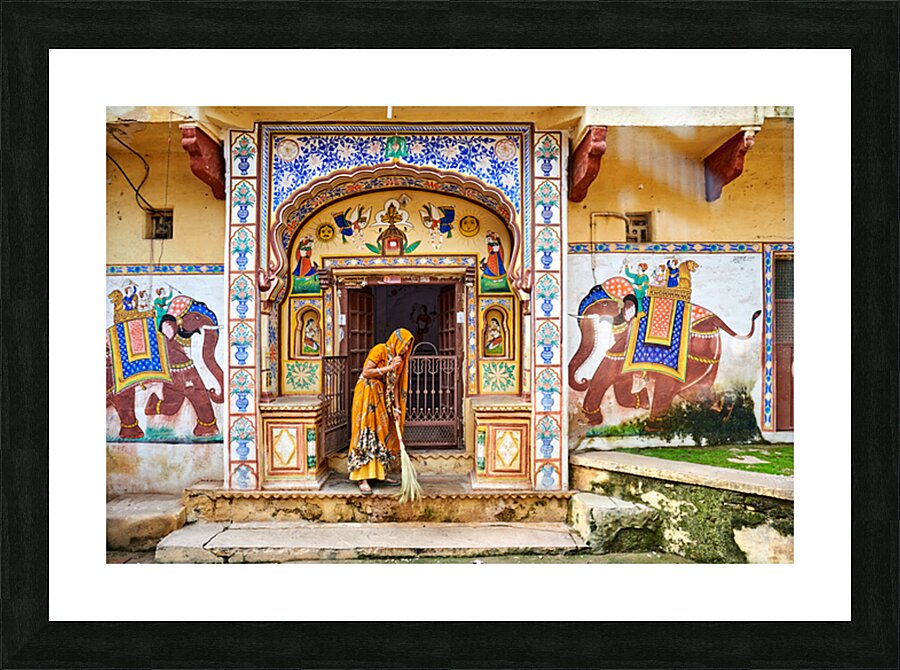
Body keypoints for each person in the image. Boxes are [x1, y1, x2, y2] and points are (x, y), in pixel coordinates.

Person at [348, 328, 415, 494]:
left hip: (381, 397)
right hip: (366, 393)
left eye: (408, 346)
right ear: (396, 340)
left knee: (381, 432)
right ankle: (362, 477)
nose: (406, 349)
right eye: (405, 344)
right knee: (366, 431)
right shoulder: (380, 350)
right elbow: (366, 372)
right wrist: (388, 367)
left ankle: (379, 474)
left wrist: (397, 409)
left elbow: (395, 387)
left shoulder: (400, 361)